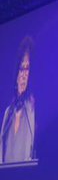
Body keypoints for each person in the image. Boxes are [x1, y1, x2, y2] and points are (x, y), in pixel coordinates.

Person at [1, 35, 36, 163]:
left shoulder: (33, 110)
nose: (23, 75)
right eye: (21, 69)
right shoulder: (8, 113)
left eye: (27, 69)